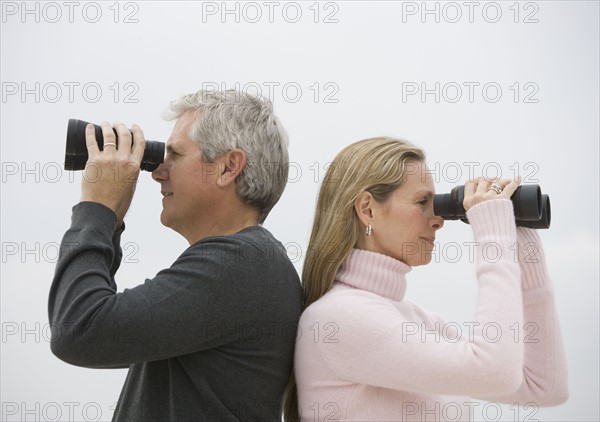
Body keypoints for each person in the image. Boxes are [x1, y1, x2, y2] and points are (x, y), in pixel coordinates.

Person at [48, 90, 303, 421]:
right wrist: (109, 222)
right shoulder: (250, 263)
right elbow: (106, 336)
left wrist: (97, 209)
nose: (157, 172)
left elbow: (78, 330)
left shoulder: (242, 263)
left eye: (176, 155)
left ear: (228, 167)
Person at [287, 137, 568, 421]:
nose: (438, 220)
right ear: (367, 209)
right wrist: (494, 238)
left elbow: (544, 386)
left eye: (436, 204)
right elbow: (495, 372)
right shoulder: (338, 318)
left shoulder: (422, 322)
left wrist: (522, 244)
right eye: (422, 202)